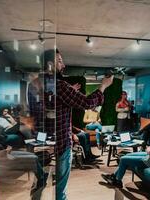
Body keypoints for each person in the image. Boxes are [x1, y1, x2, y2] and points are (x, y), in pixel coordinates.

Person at [43, 49, 113, 200]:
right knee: (61, 188)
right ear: (50, 64)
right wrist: (103, 86)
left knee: (54, 185)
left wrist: (71, 91)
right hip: (62, 142)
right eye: (60, 60)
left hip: (51, 140)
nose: (63, 64)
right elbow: (87, 102)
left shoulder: (43, 85)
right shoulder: (60, 86)